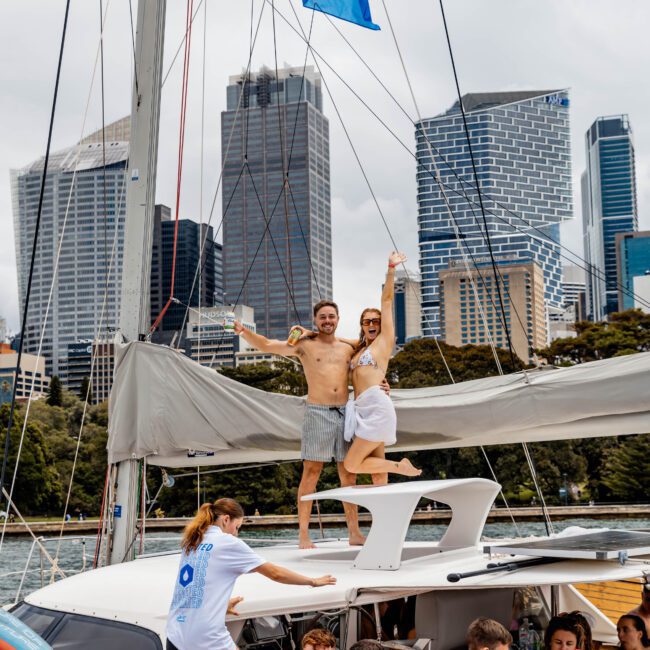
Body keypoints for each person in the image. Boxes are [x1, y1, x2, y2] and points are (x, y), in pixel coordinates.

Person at [234, 300, 384, 549]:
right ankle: (304, 535)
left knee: (349, 474)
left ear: (338, 319)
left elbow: (371, 360)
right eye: (322, 317)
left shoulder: (349, 348)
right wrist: (244, 331)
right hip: (318, 412)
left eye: (332, 317)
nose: (327, 321)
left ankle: (355, 533)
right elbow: (269, 345)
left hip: (346, 412)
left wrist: (384, 384)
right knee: (311, 473)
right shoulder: (304, 345)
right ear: (315, 320)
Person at [166, 498, 335, 650]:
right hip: (204, 637)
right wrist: (312, 581)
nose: (236, 533)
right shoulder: (227, 542)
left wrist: (220, 605)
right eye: (237, 527)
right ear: (226, 520)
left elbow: (195, 586)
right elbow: (275, 573)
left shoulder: (192, 541)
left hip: (176, 634)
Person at [343, 252, 421, 479]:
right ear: (362, 326)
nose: (372, 324)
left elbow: (386, 301)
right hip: (361, 410)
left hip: (376, 408)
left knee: (352, 464)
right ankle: (384, 513)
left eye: (376, 321)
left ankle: (400, 467)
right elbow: (335, 341)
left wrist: (390, 268)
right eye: (366, 321)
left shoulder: (383, 343)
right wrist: (308, 334)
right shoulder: (358, 350)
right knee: (377, 468)